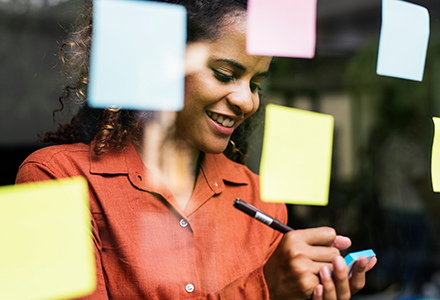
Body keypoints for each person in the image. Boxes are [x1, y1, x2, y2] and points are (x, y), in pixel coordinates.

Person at [16, 0, 376, 299]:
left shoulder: (259, 196)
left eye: (256, 84)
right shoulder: (50, 181)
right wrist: (263, 288)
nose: (246, 101)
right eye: (224, 74)